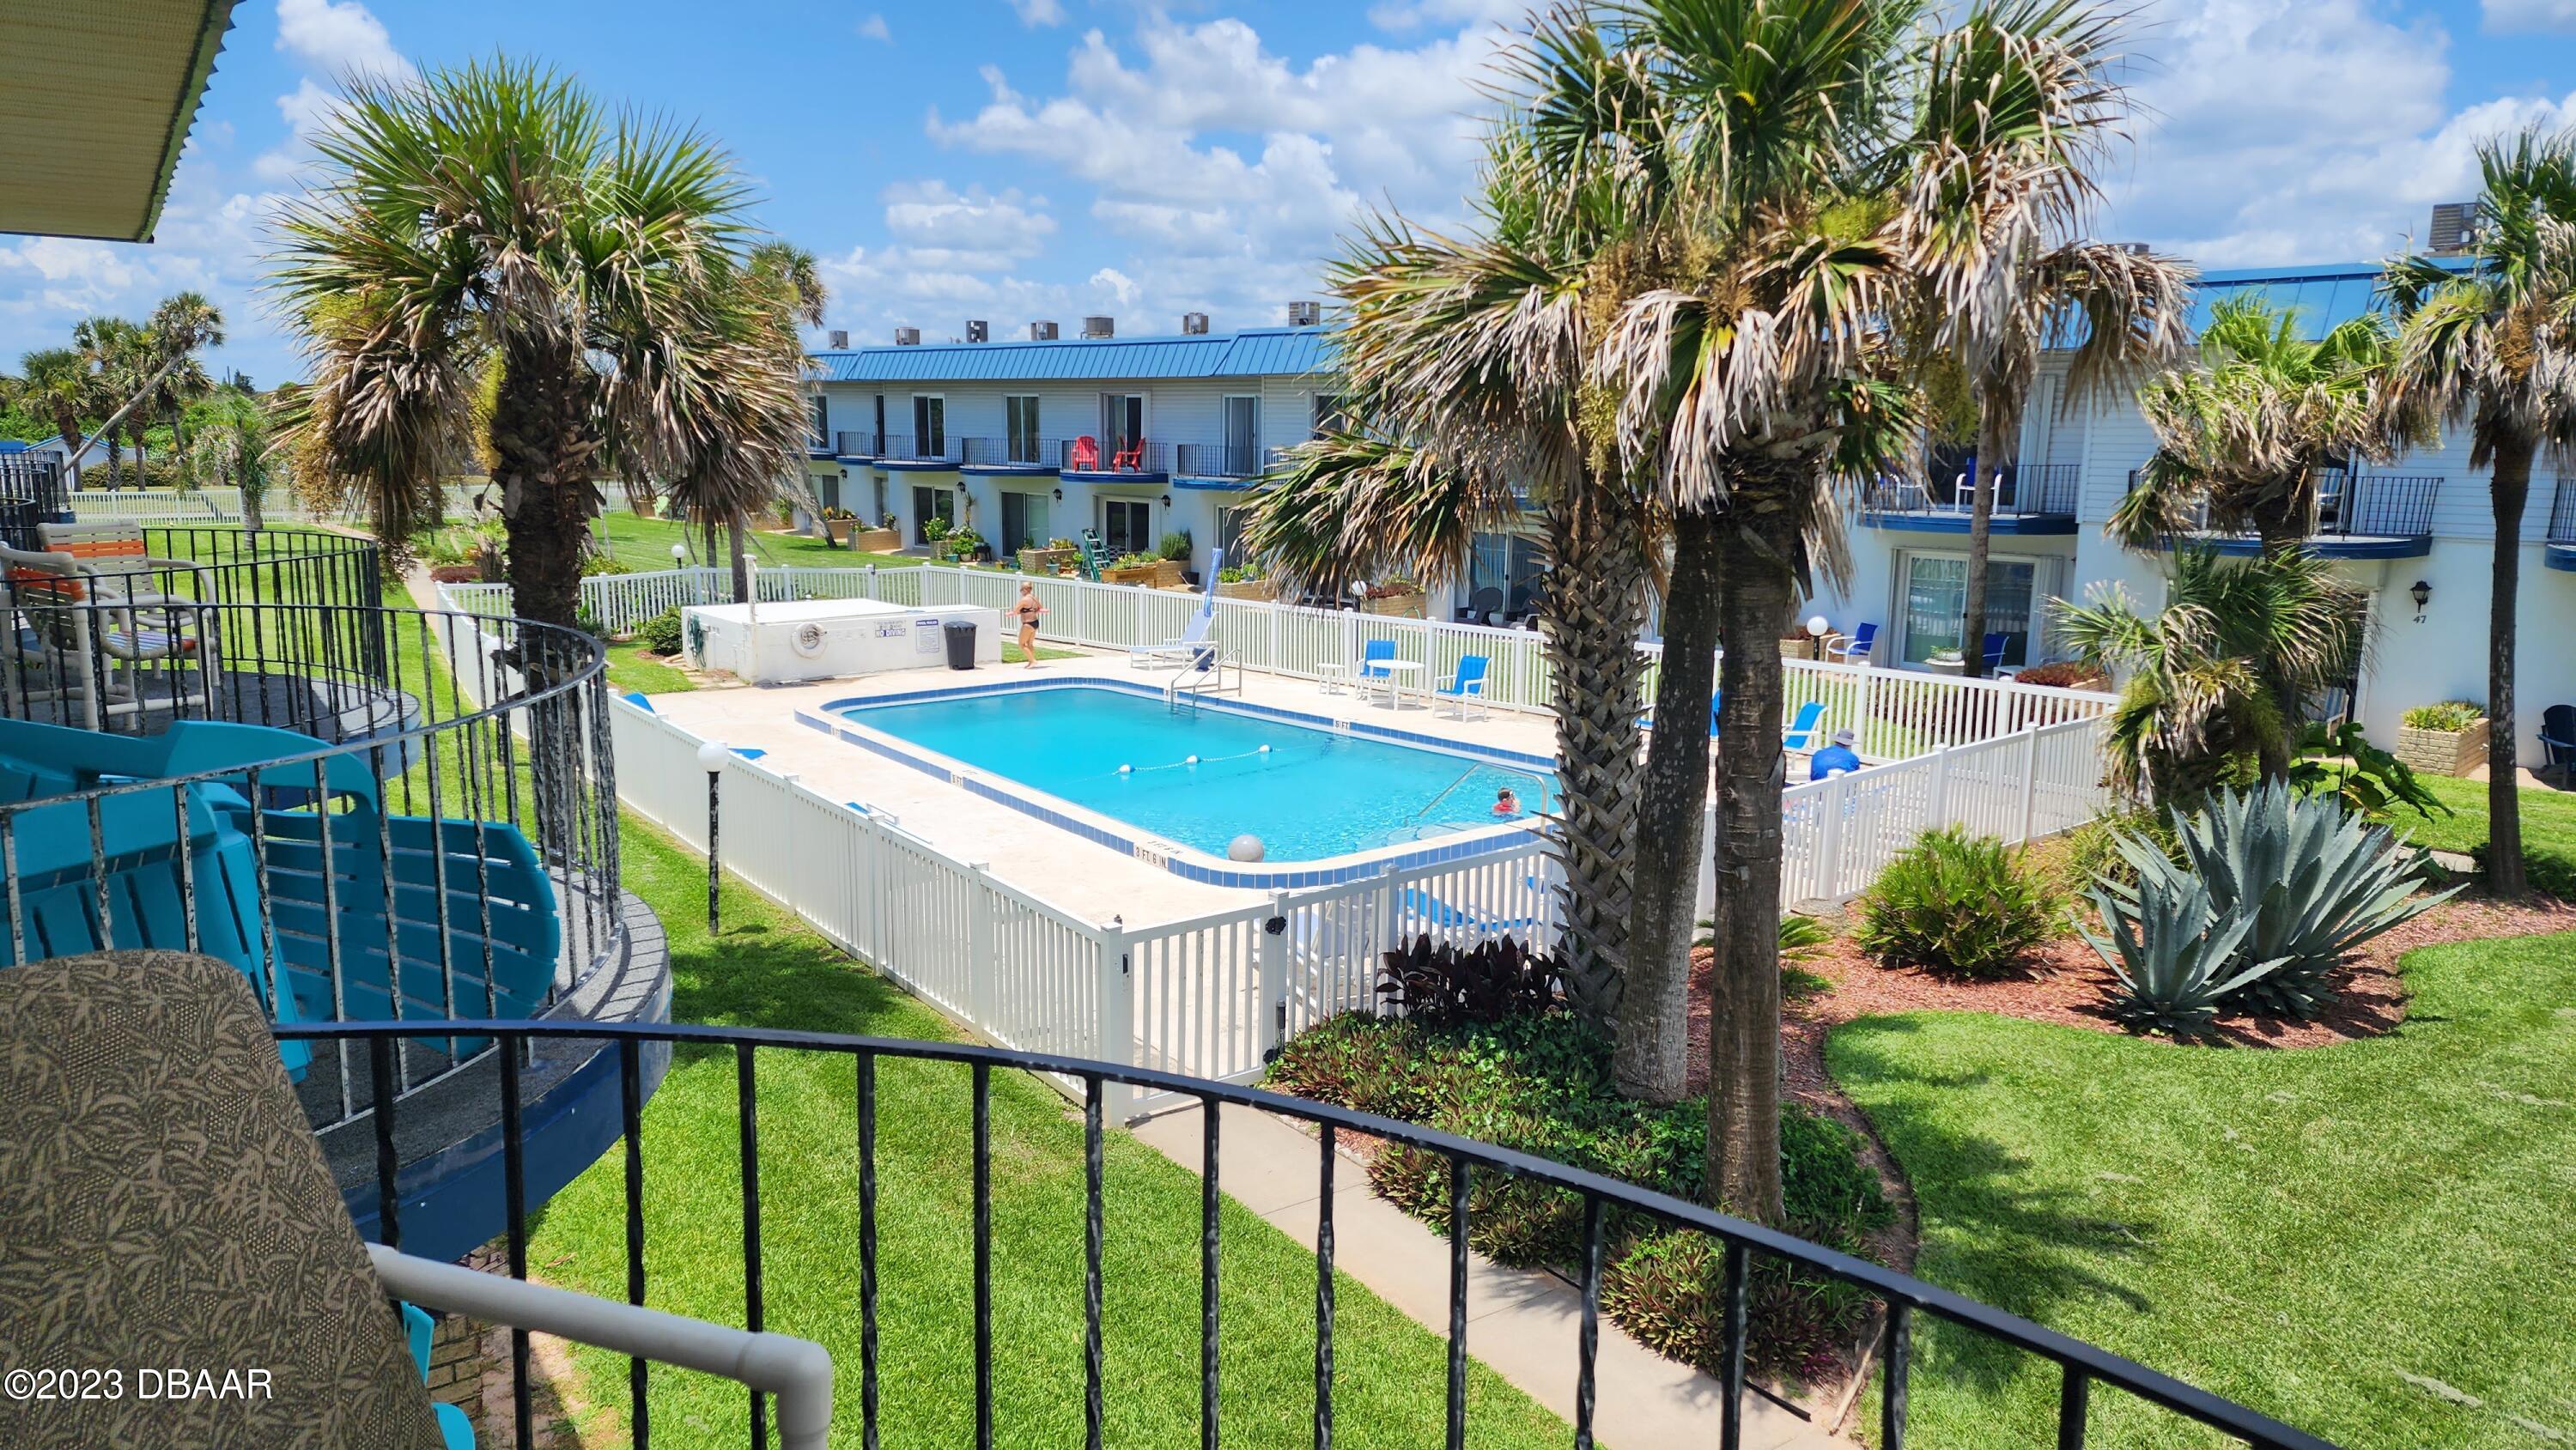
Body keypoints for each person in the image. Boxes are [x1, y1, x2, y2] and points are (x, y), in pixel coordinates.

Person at [1012, 580, 1045, 668]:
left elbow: (1015, 611)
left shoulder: (1024, 600)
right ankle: (1031, 662)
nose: (1021, 591)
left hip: (1028, 624)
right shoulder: (1034, 598)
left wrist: (1021, 612)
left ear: (1025, 590)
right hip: (1035, 622)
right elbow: (1040, 608)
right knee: (1029, 644)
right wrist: (1030, 611)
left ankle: (1033, 661)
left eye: (1021, 589)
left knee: (1021, 644)